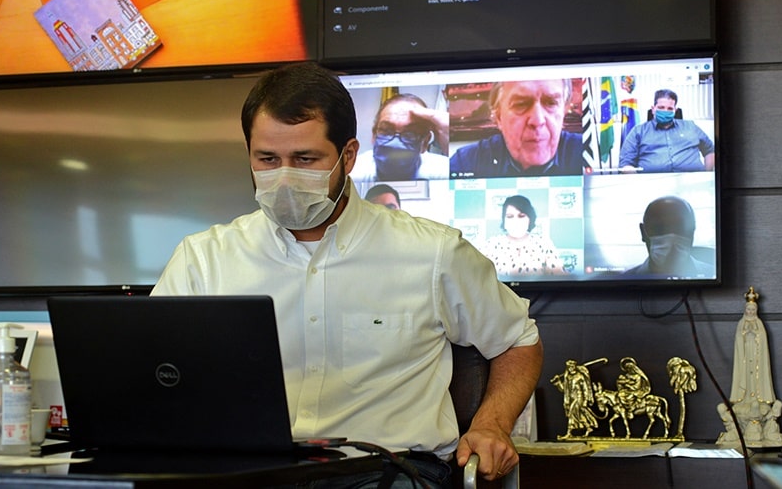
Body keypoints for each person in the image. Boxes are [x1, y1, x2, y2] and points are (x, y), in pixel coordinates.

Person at [151, 62, 543, 487]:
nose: (283, 178)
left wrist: (492, 424)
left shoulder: (432, 253)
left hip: (388, 471)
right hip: (249, 471)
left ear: (349, 155)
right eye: (267, 159)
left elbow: (518, 340)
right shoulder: (204, 260)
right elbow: (151, 369)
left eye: (305, 159)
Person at [449, 79, 587, 178]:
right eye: (521, 104)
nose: (538, 120)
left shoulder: (588, 152)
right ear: (498, 117)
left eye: (551, 103)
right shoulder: (467, 161)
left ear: (563, 111)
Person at [349, 93, 449, 183]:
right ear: (374, 136)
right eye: (386, 130)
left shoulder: (444, 170)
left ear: (425, 142)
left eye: (410, 133)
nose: (395, 143)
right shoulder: (351, 173)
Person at [619, 89, 715, 173]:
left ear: (675, 110)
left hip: (694, 183)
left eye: (670, 109)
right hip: (652, 185)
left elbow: (710, 150)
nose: (665, 111)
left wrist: (707, 174)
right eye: (661, 108)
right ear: (653, 109)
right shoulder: (638, 131)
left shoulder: (691, 126)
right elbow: (625, 164)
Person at [624, 195, 714, 278]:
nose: (671, 238)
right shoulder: (625, 283)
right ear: (643, 232)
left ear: (692, 231)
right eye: (659, 228)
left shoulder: (712, 274)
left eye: (680, 228)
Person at [484, 195, 566, 277]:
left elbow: (560, 280)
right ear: (504, 220)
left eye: (521, 216)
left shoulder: (544, 244)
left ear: (530, 219)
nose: (515, 221)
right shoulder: (490, 245)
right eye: (510, 216)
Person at [730, 288, 776, 405]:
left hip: (756, 355)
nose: (750, 312)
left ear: (756, 310)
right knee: (744, 375)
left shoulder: (759, 323)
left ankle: (758, 398)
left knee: (756, 376)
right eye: (748, 309)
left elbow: (762, 339)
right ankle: (744, 399)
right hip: (745, 355)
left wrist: (756, 334)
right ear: (745, 310)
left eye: (752, 309)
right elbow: (738, 338)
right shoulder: (741, 323)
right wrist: (745, 334)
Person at [551, 359, 599, 439]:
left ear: (575, 367)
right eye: (569, 367)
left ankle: (569, 432)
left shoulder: (580, 376)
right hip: (571, 399)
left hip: (579, 397)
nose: (570, 368)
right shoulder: (568, 377)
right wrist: (558, 382)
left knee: (572, 413)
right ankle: (588, 427)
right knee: (576, 415)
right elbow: (564, 390)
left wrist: (586, 400)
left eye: (572, 366)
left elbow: (585, 388)